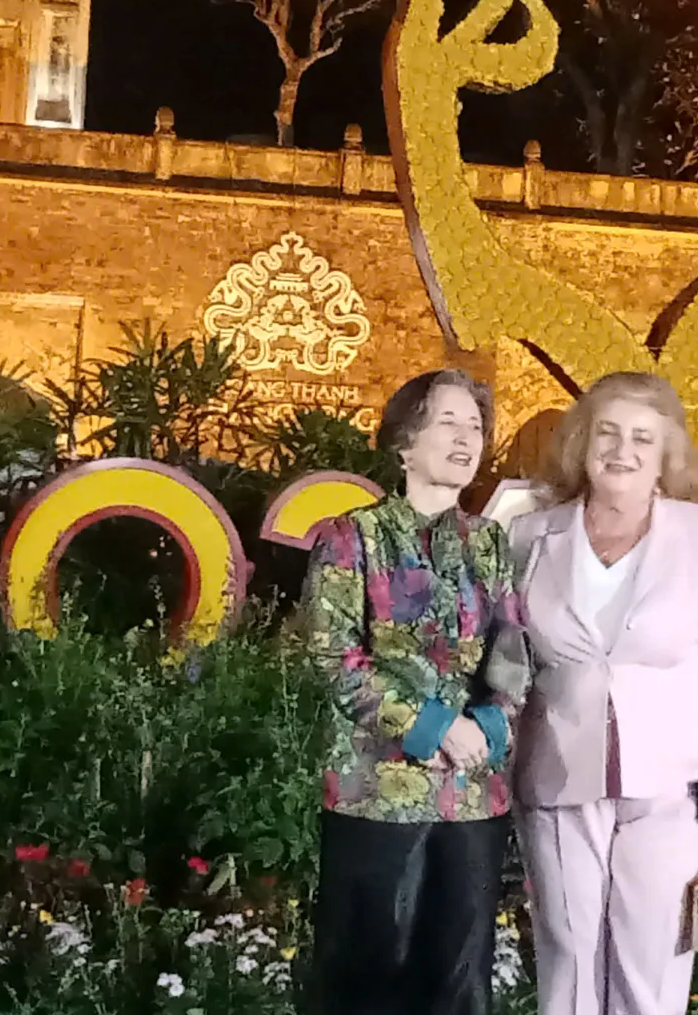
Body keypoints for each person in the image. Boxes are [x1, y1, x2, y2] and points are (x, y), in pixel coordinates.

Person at [509, 372, 698, 1015]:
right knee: (568, 956)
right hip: (557, 777)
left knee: (648, 967)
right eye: (608, 432)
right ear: (583, 443)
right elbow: (506, 661)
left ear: (665, 455)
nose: (622, 450)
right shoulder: (528, 536)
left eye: (641, 438)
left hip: (672, 789)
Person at [303, 368, 525, 1015]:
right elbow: (333, 657)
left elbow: (514, 655)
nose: (465, 437)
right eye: (447, 422)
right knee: (366, 978)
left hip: (472, 793)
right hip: (374, 791)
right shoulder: (351, 538)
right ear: (404, 443)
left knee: (460, 981)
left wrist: (487, 728)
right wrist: (432, 727)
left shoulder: (490, 543)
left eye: (475, 426)